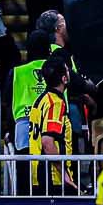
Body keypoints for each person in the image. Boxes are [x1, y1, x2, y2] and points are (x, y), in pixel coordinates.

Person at [31, 55, 77, 193]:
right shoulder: (55, 103)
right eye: (67, 70)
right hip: (53, 179)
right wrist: (64, 174)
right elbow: (47, 142)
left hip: (39, 176)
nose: (69, 72)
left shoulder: (41, 99)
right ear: (64, 79)